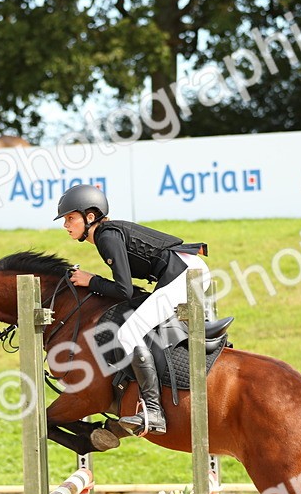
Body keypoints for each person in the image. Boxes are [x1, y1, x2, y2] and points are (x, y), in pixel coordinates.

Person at [55, 184, 210, 435]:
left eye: (70, 218)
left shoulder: (106, 236)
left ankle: (153, 411)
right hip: (184, 271)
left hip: (183, 274)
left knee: (128, 333)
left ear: (90, 217)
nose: (66, 225)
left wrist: (91, 280)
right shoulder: (106, 234)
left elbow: (124, 291)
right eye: (65, 220)